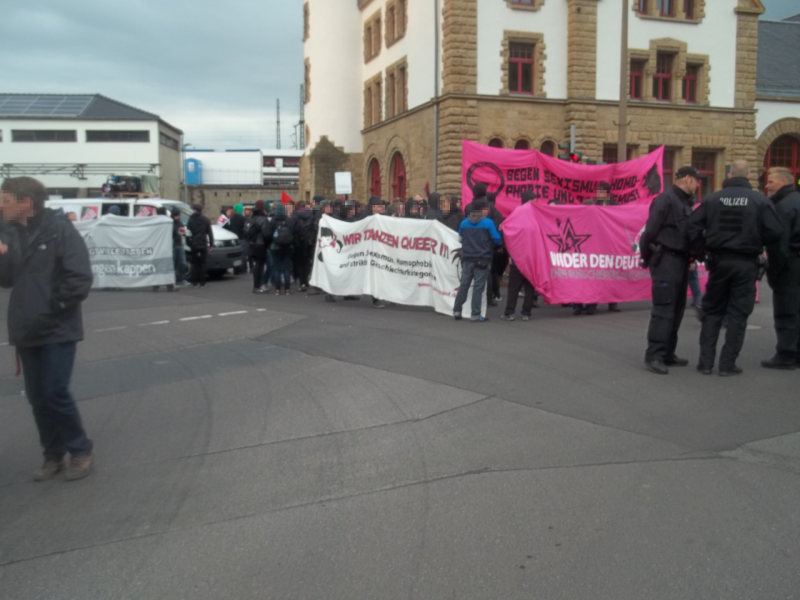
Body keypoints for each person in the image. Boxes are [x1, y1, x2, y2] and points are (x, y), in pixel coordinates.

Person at [0, 177, 95, 481]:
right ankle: (52, 455)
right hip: (26, 327)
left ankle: (80, 449)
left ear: (24, 202)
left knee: (55, 391)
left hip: (56, 326)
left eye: (5, 200)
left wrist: (54, 309)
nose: (1, 206)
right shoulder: (12, 233)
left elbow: (79, 277)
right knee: (37, 397)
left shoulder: (59, 230)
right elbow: (8, 280)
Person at [688, 160, 785, 376]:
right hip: (746, 263)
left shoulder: (712, 199)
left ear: (730, 176)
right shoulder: (759, 201)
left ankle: (705, 363)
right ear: (749, 177)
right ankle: (727, 364)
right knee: (738, 315)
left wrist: (699, 253)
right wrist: (759, 243)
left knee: (712, 312)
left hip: (718, 262)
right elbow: (776, 232)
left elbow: (692, 226)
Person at [640, 166, 699, 374]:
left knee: (677, 309)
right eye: (696, 181)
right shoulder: (665, 200)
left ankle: (667, 353)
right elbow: (649, 232)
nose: (698, 185)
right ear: (688, 179)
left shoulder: (685, 202)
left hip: (681, 261)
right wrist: (647, 258)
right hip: (666, 260)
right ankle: (654, 355)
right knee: (663, 309)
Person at [762, 167, 800, 370]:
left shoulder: (783, 206)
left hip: (790, 264)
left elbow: (779, 244)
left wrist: (773, 271)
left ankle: (786, 354)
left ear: (783, 183)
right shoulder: (795, 201)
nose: (767, 186)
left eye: (771, 182)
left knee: (786, 310)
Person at [453, 199, 502, 322]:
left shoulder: (464, 222)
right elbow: (497, 239)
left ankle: (457, 310)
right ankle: (475, 314)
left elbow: (459, 239)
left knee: (464, 285)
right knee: (478, 288)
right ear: (483, 209)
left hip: (467, 259)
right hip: (482, 259)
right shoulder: (488, 223)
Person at [577, 183, 620, 315]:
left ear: (607, 193)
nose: (598, 194)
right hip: (594, 244)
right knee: (593, 275)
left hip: (609, 244)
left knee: (612, 275)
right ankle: (589, 305)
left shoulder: (613, 205)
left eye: (601, 192)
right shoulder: (592, 203)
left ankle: (612, 303)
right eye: (598, 192)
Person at [502, 191, 539, 321]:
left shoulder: (517, 213)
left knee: (514, 287)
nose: (536, 202)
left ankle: (510, 312)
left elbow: (504, 228)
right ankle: (526, 312)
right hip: (531, 259)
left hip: (517, 259)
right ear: (530, 200)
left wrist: (509, 254)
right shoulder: (536, 214)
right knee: (529, 287)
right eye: (534, 199)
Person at [288, 200, 316, 292]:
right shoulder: (311, 216)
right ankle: (306, 281)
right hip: (308, 242)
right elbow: (314, 229)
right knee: (307, 262)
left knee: (299, 263)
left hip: (297, 243)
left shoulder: (294, 216)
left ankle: (302, 282)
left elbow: (291, 229)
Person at [247, 200, 272, 293]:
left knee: (256, 266)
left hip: (251, 244)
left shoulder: (250, 219)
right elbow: (267, 234)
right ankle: (257, 286)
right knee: (259, 266)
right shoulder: (263, 220)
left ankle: (256, 286)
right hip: (260, 245)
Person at [187, 204, 214, 288]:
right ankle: (203, 283)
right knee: (203, 263)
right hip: (203, 243)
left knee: (195, 264)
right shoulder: (206, 220)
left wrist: (189, 244)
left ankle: (194, 282)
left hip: (194, 243)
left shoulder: (190, 220)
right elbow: (210, 233)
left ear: (194, 210)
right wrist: (211, 244)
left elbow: (188, 234)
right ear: (201, 210)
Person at [270, 203, 294, 295]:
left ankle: (277, 289)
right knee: (286, 268)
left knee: (277, 269)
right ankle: (287, 289)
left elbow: (268, 234)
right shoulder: (289, 220)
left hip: (275, 247)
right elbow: (293, 232)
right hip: (288, 247)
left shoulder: (273, 221)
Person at [152, 207, 176, 292]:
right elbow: (174, 233)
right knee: (167, 267)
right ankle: (169, 286)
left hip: (156, 248)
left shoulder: (153, 222)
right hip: (166, 247)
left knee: (156, 267)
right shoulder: (169, 221)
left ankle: (155, 286)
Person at [171, 208, 189, 286]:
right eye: (175, 215)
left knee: (182, 263)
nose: (177, 217)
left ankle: (182, 278)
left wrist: (183, 232)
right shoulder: (170, 223)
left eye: (178, 215)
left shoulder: (180, 223)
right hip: (173, 244)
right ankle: (173, 279)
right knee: (173, 263)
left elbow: (183, 232)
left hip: (180, 244)